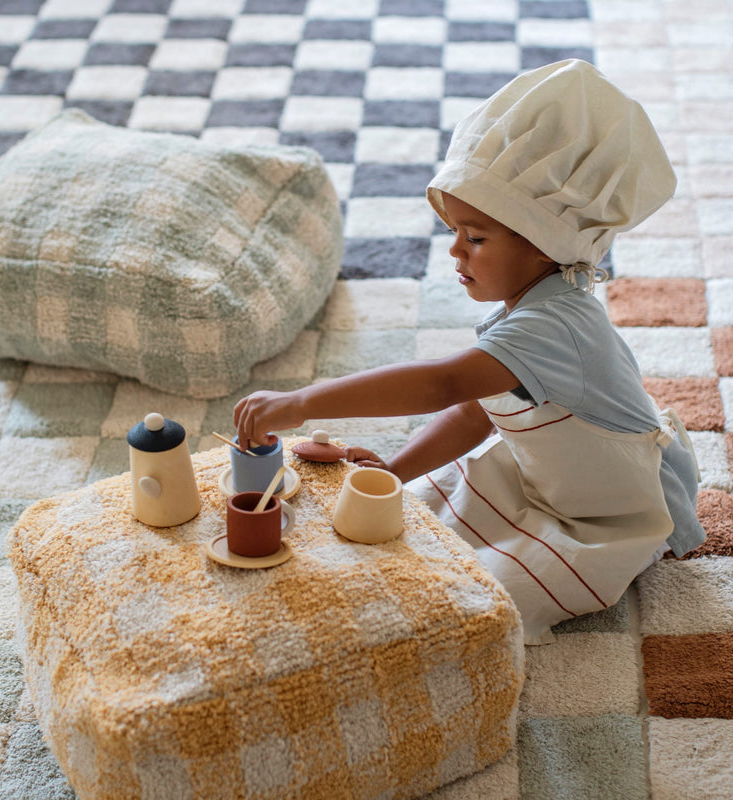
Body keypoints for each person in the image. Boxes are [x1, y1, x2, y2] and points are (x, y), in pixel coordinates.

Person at [233, 60, 705, 644]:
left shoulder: (555, 327)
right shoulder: (530, 306)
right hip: (551, 479)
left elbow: (443, 384)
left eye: (475, 237)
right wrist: (395, 472)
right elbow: (472, 412)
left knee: (472, 599)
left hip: (607, 514)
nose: (455, 251)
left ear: (546, 243)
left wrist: (302, 401)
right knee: (417, 518)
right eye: (454, 231)